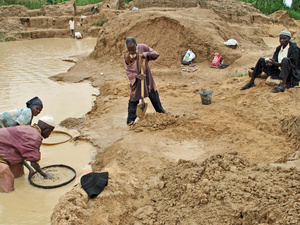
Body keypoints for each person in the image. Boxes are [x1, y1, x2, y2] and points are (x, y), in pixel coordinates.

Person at [0, 115, 55, 193]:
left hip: (5, 150)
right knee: (7, 184)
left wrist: (29, 168)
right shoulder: (35, 137)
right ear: (45, 129)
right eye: (50, 132)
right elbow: (34, 162)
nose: (49, 135)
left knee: (19, 174)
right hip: (1, 154)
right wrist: (44, 175)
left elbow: (20, 152)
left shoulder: (29, 129)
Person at [124, 37, 169, 126]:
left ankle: (160, 110)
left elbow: (156, 55)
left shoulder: (143, 47)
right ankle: (130, 120)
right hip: (137, 81)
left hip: (147, 76)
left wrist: (147, 54)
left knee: (153, 92)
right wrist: (137, 76)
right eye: (130, 50)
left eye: (133, 50)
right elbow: (129, 72)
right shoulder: (128, 57)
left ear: (136, 46)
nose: (132, 52)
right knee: (134, 98)